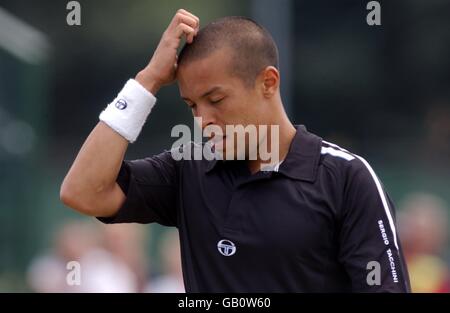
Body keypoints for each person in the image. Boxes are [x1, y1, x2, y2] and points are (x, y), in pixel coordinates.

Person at [60, 9, 410, 292]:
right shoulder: (188, 169)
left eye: (215, 100)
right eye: (192, 106)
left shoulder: (346, 177)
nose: (203, 120)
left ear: (268, 83)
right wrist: (147, 79)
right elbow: (82, 192)